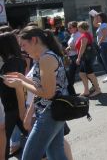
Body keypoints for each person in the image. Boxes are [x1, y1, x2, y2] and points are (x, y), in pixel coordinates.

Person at [4, 26, 69, 160]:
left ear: (34, 40)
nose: (22, 49)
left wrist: (21, 84)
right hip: (52, 112)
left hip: (49, 113)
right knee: (56, 155)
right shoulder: (46, 57)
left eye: (24, 44)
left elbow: (48, 93)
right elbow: (44, 88)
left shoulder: (46, 59)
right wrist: (22, 79)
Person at [0, 33, 26, 159]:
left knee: (3, 136)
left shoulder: (9, 64)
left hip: (10, 106)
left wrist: (22, 109)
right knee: (29, 131)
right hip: (15, 105)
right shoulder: (19, 60)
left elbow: (16, 86)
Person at [76, 22, 101, 97]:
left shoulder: (84, 36)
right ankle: (86, 91)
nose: (78, 29)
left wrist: (78, 58)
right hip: (87, 57)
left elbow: (82, 48)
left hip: (86, 58)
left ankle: (97, 90)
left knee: (90, 74)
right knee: (82, 73)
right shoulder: (88, 33)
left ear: (81, 28)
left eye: (78, 27)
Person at [93, 13, 107, 83]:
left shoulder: (104, 25)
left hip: (105, 44)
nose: (98, 19)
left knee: (105, 60)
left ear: (102, 18)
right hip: (103, 44)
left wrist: (99, 43)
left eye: (99, 17)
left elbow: (104, 35)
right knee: (99, 59)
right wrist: (95, 17)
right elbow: (94, 24)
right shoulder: (101, 24)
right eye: (97, 18)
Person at [65, 21, 81, 95]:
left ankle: (94, 86)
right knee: (71, 75)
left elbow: (79, 47)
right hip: (72, 56)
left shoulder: (78, 35)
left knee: (83, 73)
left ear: (75, 27)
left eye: (70, 28)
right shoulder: (73, 34)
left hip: (76, 56)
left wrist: (70, 48)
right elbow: (71, 45)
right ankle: (71, 92)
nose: (69, 29)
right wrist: (68, 48)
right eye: (68, 28)